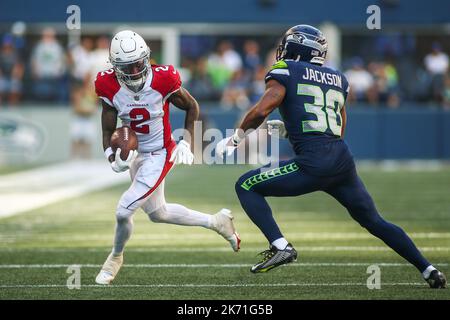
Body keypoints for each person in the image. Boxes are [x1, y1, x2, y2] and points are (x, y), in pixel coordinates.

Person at [215, 25, 446, 288]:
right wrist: (293, 135)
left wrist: (235, 138)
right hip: (341, 160)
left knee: (246, 185)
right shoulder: (338, 78)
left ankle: (281, 246)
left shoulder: (286, 70)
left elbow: (262, 109)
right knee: (374, 220)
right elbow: (338, 128)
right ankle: (428, 269)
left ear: (299, 47)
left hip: (314, 163)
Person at [94, 30, 240, 285]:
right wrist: (111, 155)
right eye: (128, 66)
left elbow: (192, 105)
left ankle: (115, 258)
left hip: (161, 153)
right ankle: (217, 222)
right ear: (116, 67)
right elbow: (108, 127)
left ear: (147, 58)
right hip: (137, 154)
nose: (135, 70)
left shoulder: (163, 78)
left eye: (139, 63)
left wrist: (186, 141)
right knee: (158, 213)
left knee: (123, 210)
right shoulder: (107, 84)